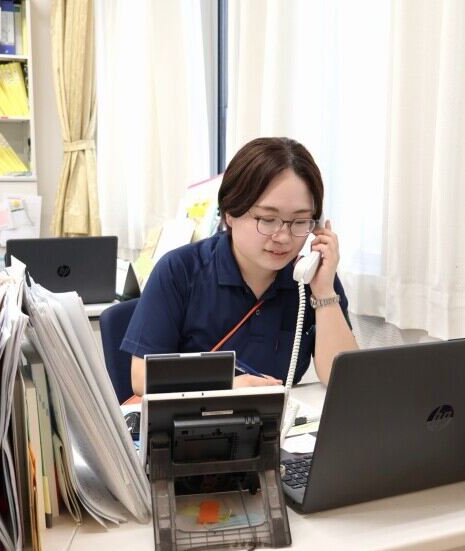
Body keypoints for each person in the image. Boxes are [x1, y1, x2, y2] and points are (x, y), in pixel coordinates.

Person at [121, 137, 358, 396]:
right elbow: (141, 376)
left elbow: (345, 379)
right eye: (268, 219)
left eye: (300, 221)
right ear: (230, 213)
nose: (283, 236)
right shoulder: (180, 270)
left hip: (281, 419)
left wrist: (324, 293)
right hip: (197, 417)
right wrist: (226, 386)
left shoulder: (311, 277)